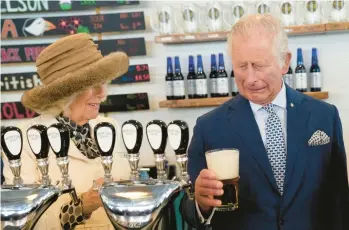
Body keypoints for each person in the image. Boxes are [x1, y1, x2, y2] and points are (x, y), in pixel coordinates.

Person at [181, 14, 349, 230]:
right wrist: (200, 205)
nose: (250, 78)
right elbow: (189, 213)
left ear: (285, 62)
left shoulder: (324, 117)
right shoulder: (209, 127)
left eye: (259, 65)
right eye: (242, 66)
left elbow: (339, 202)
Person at [2, 33, 132, 230]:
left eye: (104, 82)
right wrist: (80, 207)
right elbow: (19, 221)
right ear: (66, 94)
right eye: (92, 85)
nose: (102, 93)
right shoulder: (25, 139)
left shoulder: (109, 126)